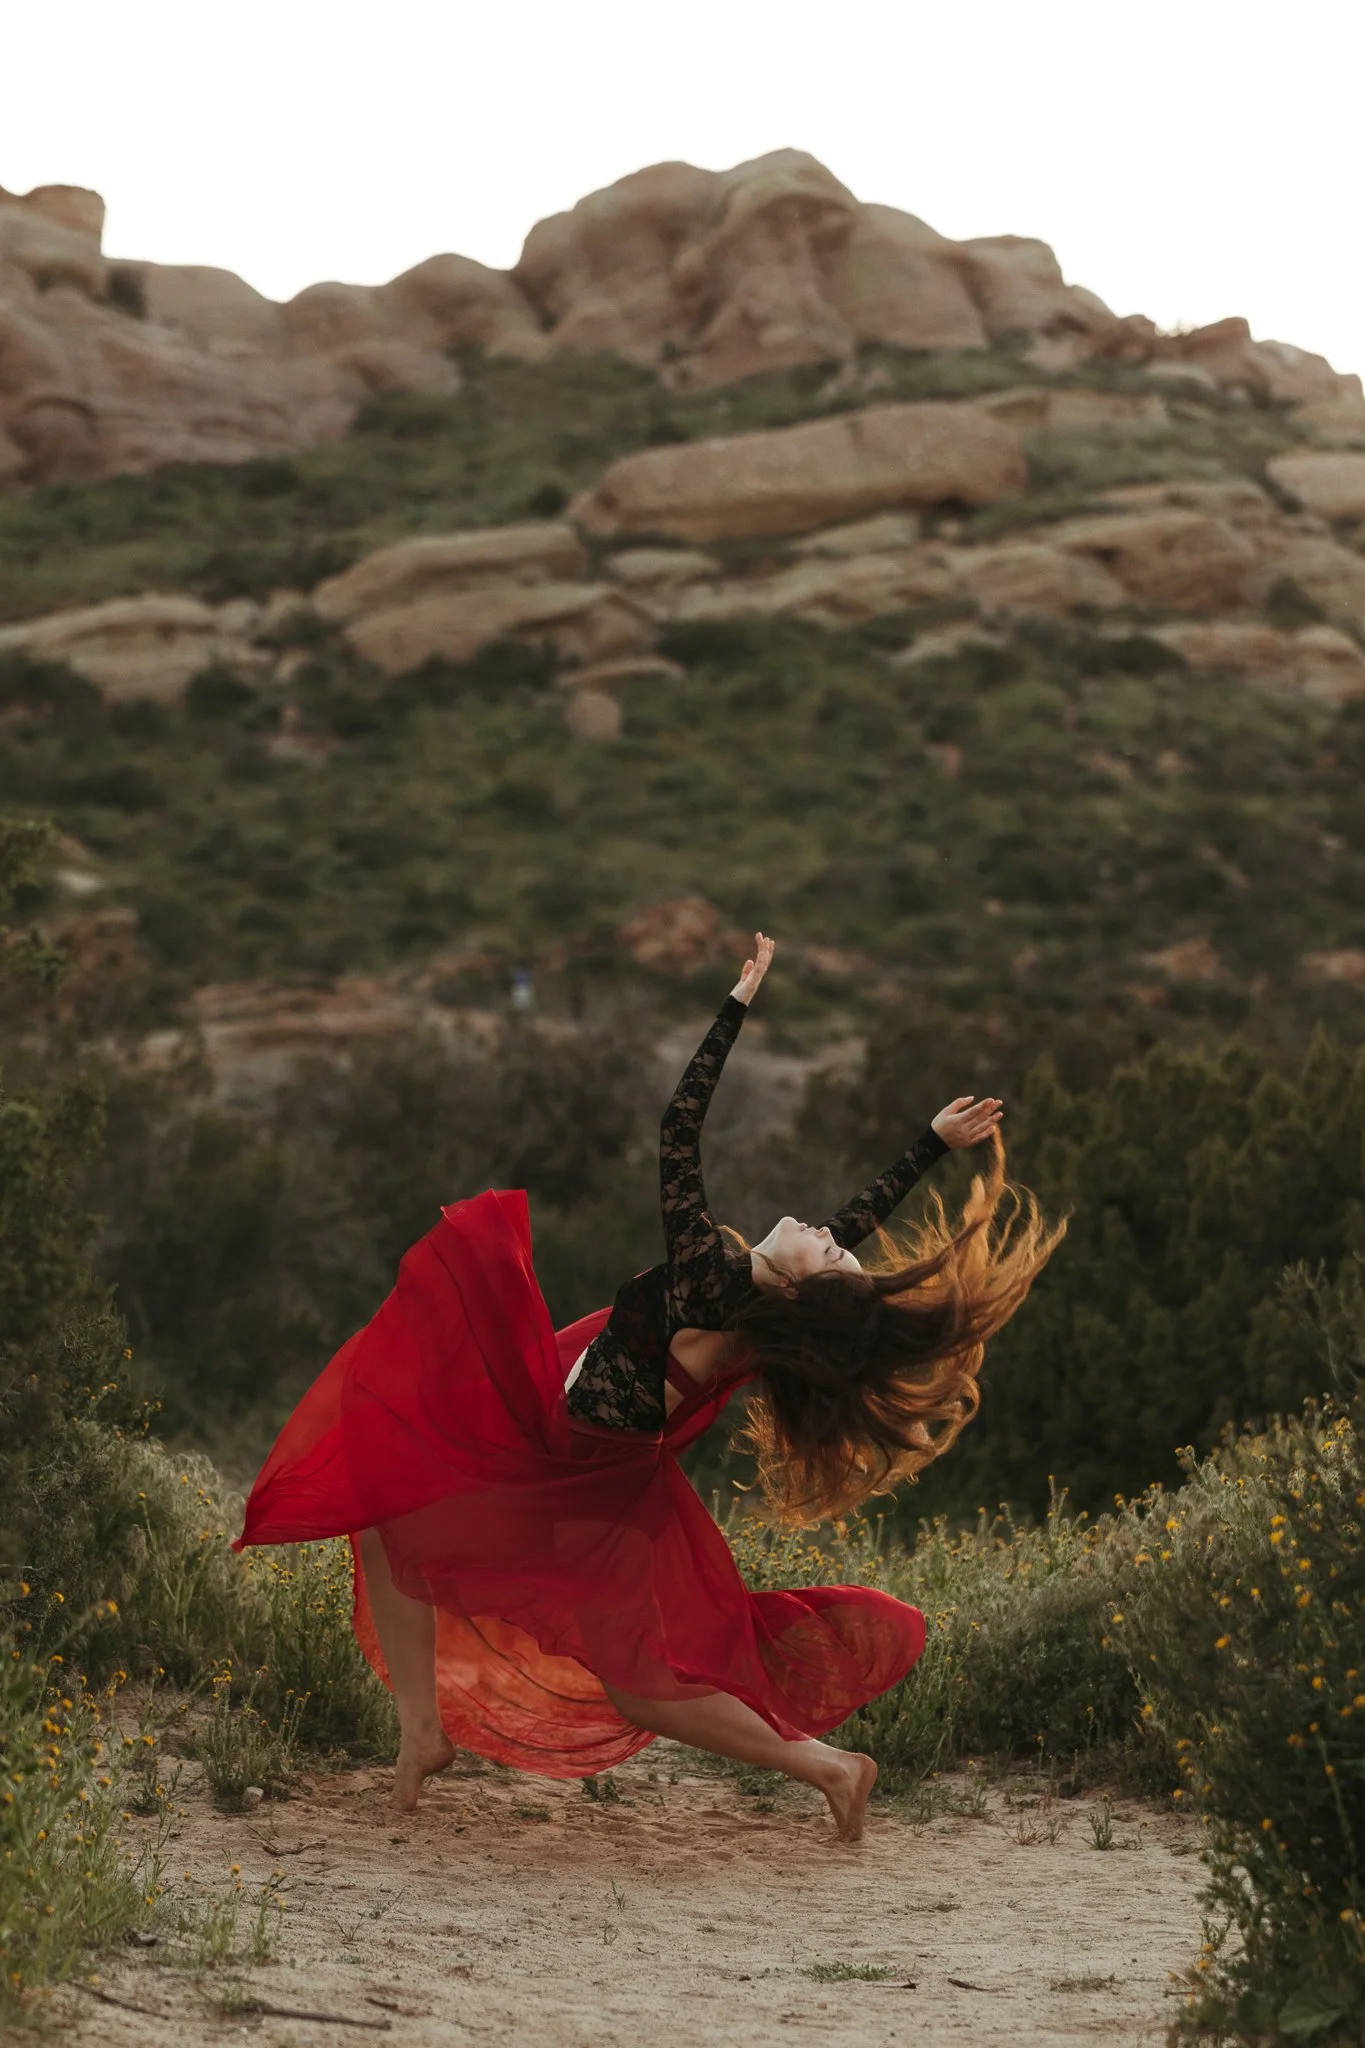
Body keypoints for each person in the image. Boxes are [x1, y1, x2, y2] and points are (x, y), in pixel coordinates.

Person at [236, 934, 1061, 1841]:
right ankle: (424, 1735)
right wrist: (928, 1147)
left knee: (636, 1682)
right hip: (577, 1452)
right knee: (400, 1510)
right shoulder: (761, 1304)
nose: (823, 1231)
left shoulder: (716, 1285)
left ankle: (827, 1766)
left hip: (576, 1475)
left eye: (826, 1251)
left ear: (792, 1284)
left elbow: (677, 1129)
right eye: (833, 1244)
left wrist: (734, 1008)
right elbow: (850, 1231)